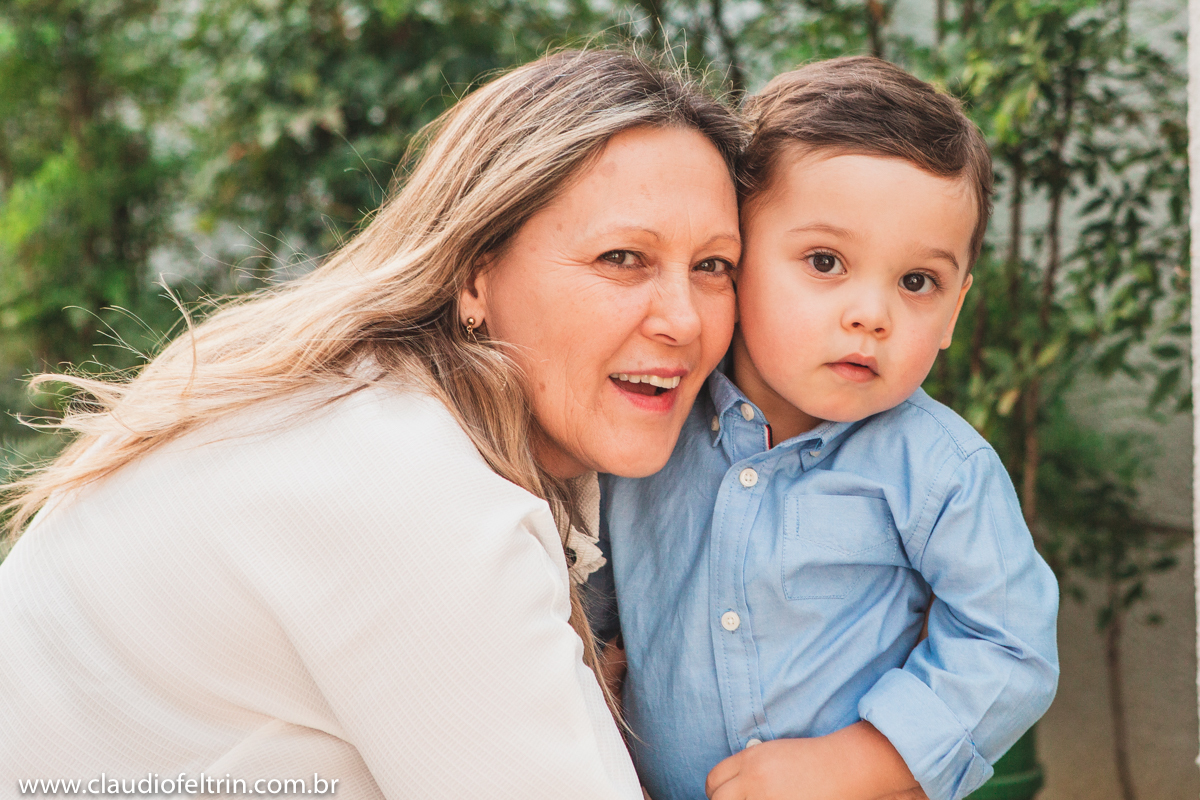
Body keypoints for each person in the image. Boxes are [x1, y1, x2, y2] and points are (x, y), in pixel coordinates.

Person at [0, 50, 746, 799]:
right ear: (474, 273)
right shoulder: (411, 485)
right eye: (623, 258)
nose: (684, 320)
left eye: (714, 266)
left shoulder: (362, 408)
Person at [591, 56, 1060, 800]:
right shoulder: (651, 426)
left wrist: (858, 762)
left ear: (954, 312)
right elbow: (590, 598)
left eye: (917, 282)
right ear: (734, 257)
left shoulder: (941, 472)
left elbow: (1010, 646)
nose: (871, 314)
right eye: (825, 261)